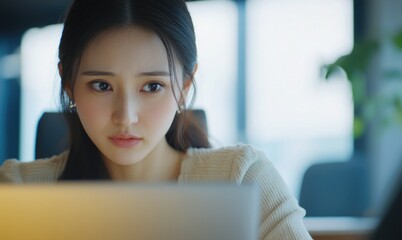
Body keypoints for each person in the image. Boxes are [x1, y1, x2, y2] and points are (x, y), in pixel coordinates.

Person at [0, 0, 312, 239]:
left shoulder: (244, 179)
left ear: (184, 88)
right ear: (69, 85)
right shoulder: (17, 189)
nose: (126, 116)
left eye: (152, 86)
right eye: (101, 85)